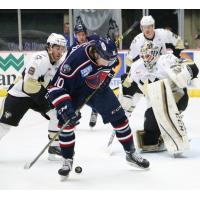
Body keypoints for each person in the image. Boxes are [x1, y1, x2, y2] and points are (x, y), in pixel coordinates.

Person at [46, 37, 150, 180]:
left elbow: (115, 63)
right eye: (106, 59)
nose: (109, 62)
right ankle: (67, 159)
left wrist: (107, 76)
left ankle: (130, 153)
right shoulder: (74, 62)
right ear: (96, 53)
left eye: (110, 59)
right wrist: (65, 109)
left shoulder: (108, 55)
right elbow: (55, 88)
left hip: (96, 87)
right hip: (74, 90)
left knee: (120, 119)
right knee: (66, 123)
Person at [120, 40, 198, 153]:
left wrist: (189, 71)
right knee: (149, 136)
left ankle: (176, 128)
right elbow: (129, 87)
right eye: (143, 56)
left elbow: (190, 64)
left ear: (156, 53)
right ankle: (158, 137)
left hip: (177, 95)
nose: (145, 58)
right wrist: (126, 105)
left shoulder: (167, 59)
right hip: (157, 100)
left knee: (166, 112)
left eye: (148, 55)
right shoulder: (137, 67)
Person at [0, 33, 66, 160]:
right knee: (4, 126)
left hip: (37, 95)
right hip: (19, 95)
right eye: (57, 48)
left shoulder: (59, 65)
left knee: (57, 113)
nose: (60, 52)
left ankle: (54, 147)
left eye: (62, 49)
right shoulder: (39, 59)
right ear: (50, 47)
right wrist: (47, 100)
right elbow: (29, 85)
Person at [68, 23, 100, 128]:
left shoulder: (93, 40)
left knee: (96, 93)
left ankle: (95, 111)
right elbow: (68, 65)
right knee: (77, 96)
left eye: (83, 34)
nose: (81, 37)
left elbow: (104, 46)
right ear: (75, 35)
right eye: (79, 34)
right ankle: (74, 114)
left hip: (94, 72)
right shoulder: (72, 49)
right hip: (81, 76)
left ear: (86, 34)